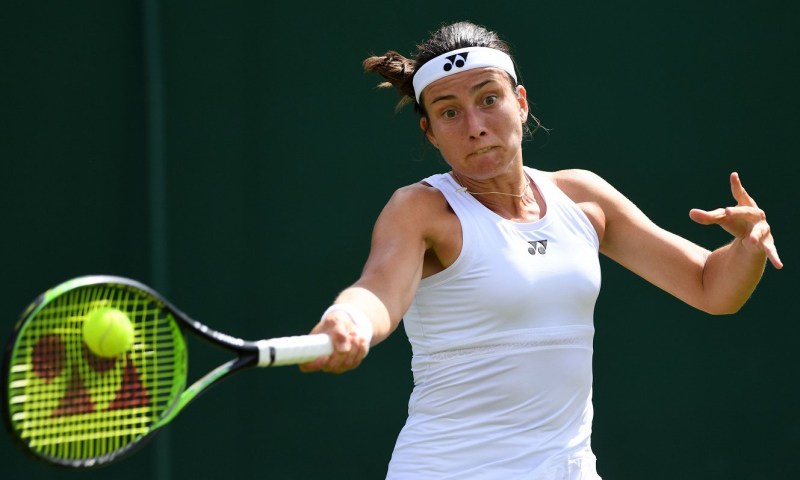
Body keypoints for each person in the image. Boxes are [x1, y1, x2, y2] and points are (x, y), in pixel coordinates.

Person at [299, 21, 782, 479]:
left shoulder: (584, 197)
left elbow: (711, 288)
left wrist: (749, 246)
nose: (475, 125)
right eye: (449, 111)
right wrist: (350, 318)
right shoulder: (422, 209)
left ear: (521, 102)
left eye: (489, 99)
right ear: (429, 130)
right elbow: (378, 290)